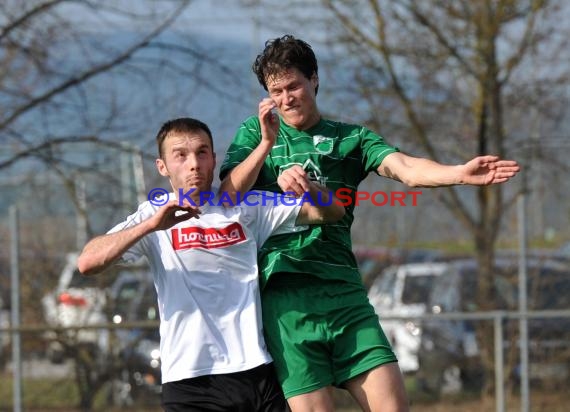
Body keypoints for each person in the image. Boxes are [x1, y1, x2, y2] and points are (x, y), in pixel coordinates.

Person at [219, 35, 520, 412]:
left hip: (345, 294)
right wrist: (265, 147)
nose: (285, 98)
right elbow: (227, 194)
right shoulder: (256, 133)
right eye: (275, 91)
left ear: (314, 78)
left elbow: (405, 168)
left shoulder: (351, 139)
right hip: (286, 298)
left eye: (293, 85)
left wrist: (458, 172)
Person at [77, 117, 345, 412]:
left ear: (214, 159)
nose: (194, 163)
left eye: (202, 152)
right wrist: (151, 226)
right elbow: (88, 262)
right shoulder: (154, 213)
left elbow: (331, 213)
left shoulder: (247, 206)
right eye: (180, 154)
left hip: (256, 372)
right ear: (162, 166)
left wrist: (308, 185)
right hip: (190, 381)